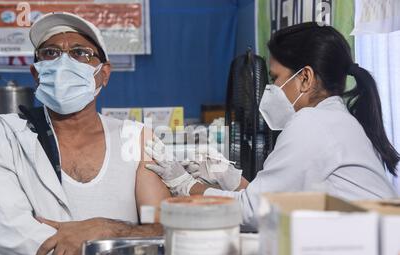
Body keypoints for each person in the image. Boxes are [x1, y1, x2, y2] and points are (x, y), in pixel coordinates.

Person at [145, 22, 399, 231]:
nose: (271, 88)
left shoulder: (312, 123)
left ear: (305, 78)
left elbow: (253, 212)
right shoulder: (335, 121)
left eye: (275, 77)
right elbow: (277, 197)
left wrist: (185, 186)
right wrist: (231, 180)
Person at [0, 12, 170, 255]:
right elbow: (7, 238)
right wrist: (117, 240)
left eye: (80, 52)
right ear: (36, 73)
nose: (63, 63)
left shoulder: (136, 139)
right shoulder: (2, 138)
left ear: (104, 74)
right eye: (50, 53)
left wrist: (107, 229)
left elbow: (162, 231)